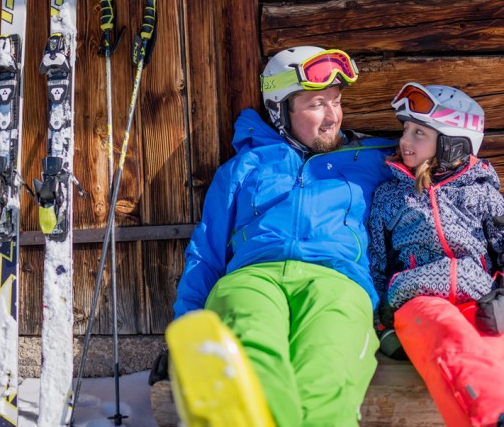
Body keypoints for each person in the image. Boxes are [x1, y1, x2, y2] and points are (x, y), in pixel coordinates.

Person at [156, 46, 396, 427]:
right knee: (252, 352)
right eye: (317, 104)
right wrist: (185, 330)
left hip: (337, 283)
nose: (332, 116)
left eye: (336, 101)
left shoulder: (375, 161)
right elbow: (206, 252)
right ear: (280, 111)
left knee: (327, 374)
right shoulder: (242, 168)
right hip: (252, 278)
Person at [368, 82, 504, 427]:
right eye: (405, 130)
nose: (404, 141)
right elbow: (375, 261)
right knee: (451, 342)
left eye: (419, 133)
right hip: (420, 299)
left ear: (451, 144)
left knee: (493, 352)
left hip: (480, 297)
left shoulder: (482, 193)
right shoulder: (391, 196)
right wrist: (380, 322)